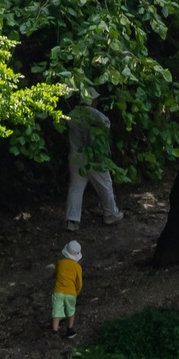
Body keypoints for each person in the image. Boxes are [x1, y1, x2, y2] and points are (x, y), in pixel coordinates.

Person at [66, 100, 122, 229]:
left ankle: (72, 220)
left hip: (77, 157)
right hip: (95, 156)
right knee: (105, 185)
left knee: (76, 188)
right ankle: (111, 213)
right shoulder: (94, 113)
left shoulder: (72, 114)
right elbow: (106, 124)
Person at [52, 240, 83, 340]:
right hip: (71, 293)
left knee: (57, 311)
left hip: (58, 292)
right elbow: (79, 283)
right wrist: (76, 292)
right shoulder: (78, 267)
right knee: (71, 312)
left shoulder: (60, 263)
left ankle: (54, 332)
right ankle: (69, 330)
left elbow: (54, 273)